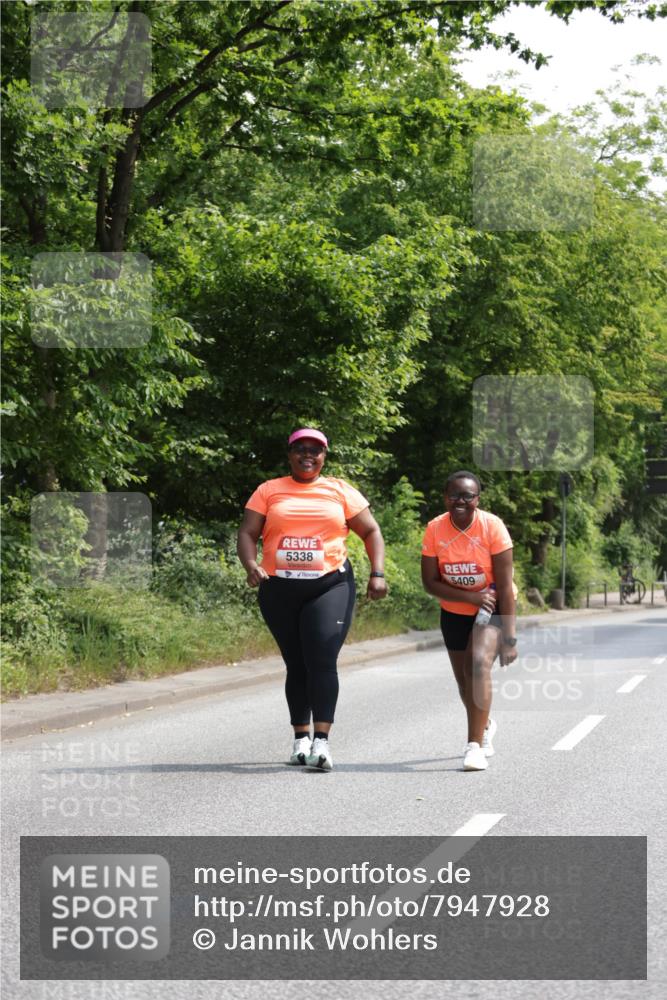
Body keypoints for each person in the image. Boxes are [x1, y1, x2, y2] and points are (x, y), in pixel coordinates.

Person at [237, 428, 387, 771]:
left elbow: (371, 531)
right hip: (279, 587)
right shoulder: (268, 490)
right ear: (290, 454)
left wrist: (377, 573)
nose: (308, 455)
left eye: (316, 450)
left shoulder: (339, 490)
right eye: (301, 449)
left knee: (321, 658)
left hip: (329, 584)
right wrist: (251, 565)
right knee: (296, 663)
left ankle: (322, 743)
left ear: (324, 456)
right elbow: (247, 532)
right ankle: (300, 739)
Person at [421, 470, 518, 771]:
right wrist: (470, 598)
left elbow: (504, 586)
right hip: (455, 611)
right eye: (454, 495)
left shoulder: (492, 527)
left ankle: (473, 746)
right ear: (445, 497)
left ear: (477, 499)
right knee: (465, 683)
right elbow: (430, 582)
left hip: (493, 608)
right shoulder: (435, 529)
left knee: (477, 664)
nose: (460, 501)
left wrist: (510, 638)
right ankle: (485, 723)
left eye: (468, 496)